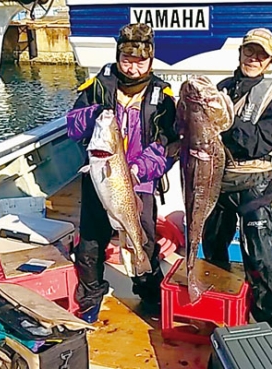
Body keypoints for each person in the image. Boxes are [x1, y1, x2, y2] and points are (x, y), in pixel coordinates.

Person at [66, 23, 178, 323]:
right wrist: (93, 115)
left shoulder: (163, 96)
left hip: (138, 184)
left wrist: (141, 168)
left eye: (140, 60)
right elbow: (72, 126)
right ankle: (90, 298)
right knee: (90, 242)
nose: (132, 66)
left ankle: (150, 294)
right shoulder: (97, 87)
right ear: (117, 56)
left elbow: (168, 144)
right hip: (100, 178)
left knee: (143, 240)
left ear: (151, 60)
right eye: (126, 59)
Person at [201, 28, 272, 329]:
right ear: (240, 52)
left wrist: (228, 122)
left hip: (255, 185)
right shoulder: (222, 88)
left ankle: (265, 323)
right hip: (220, 179)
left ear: (269, 61)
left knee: (260, 257)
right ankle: (216, 307)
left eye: (261, 54)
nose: (253, 58)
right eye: (249, 51)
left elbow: (260, 144)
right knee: (211, 246)